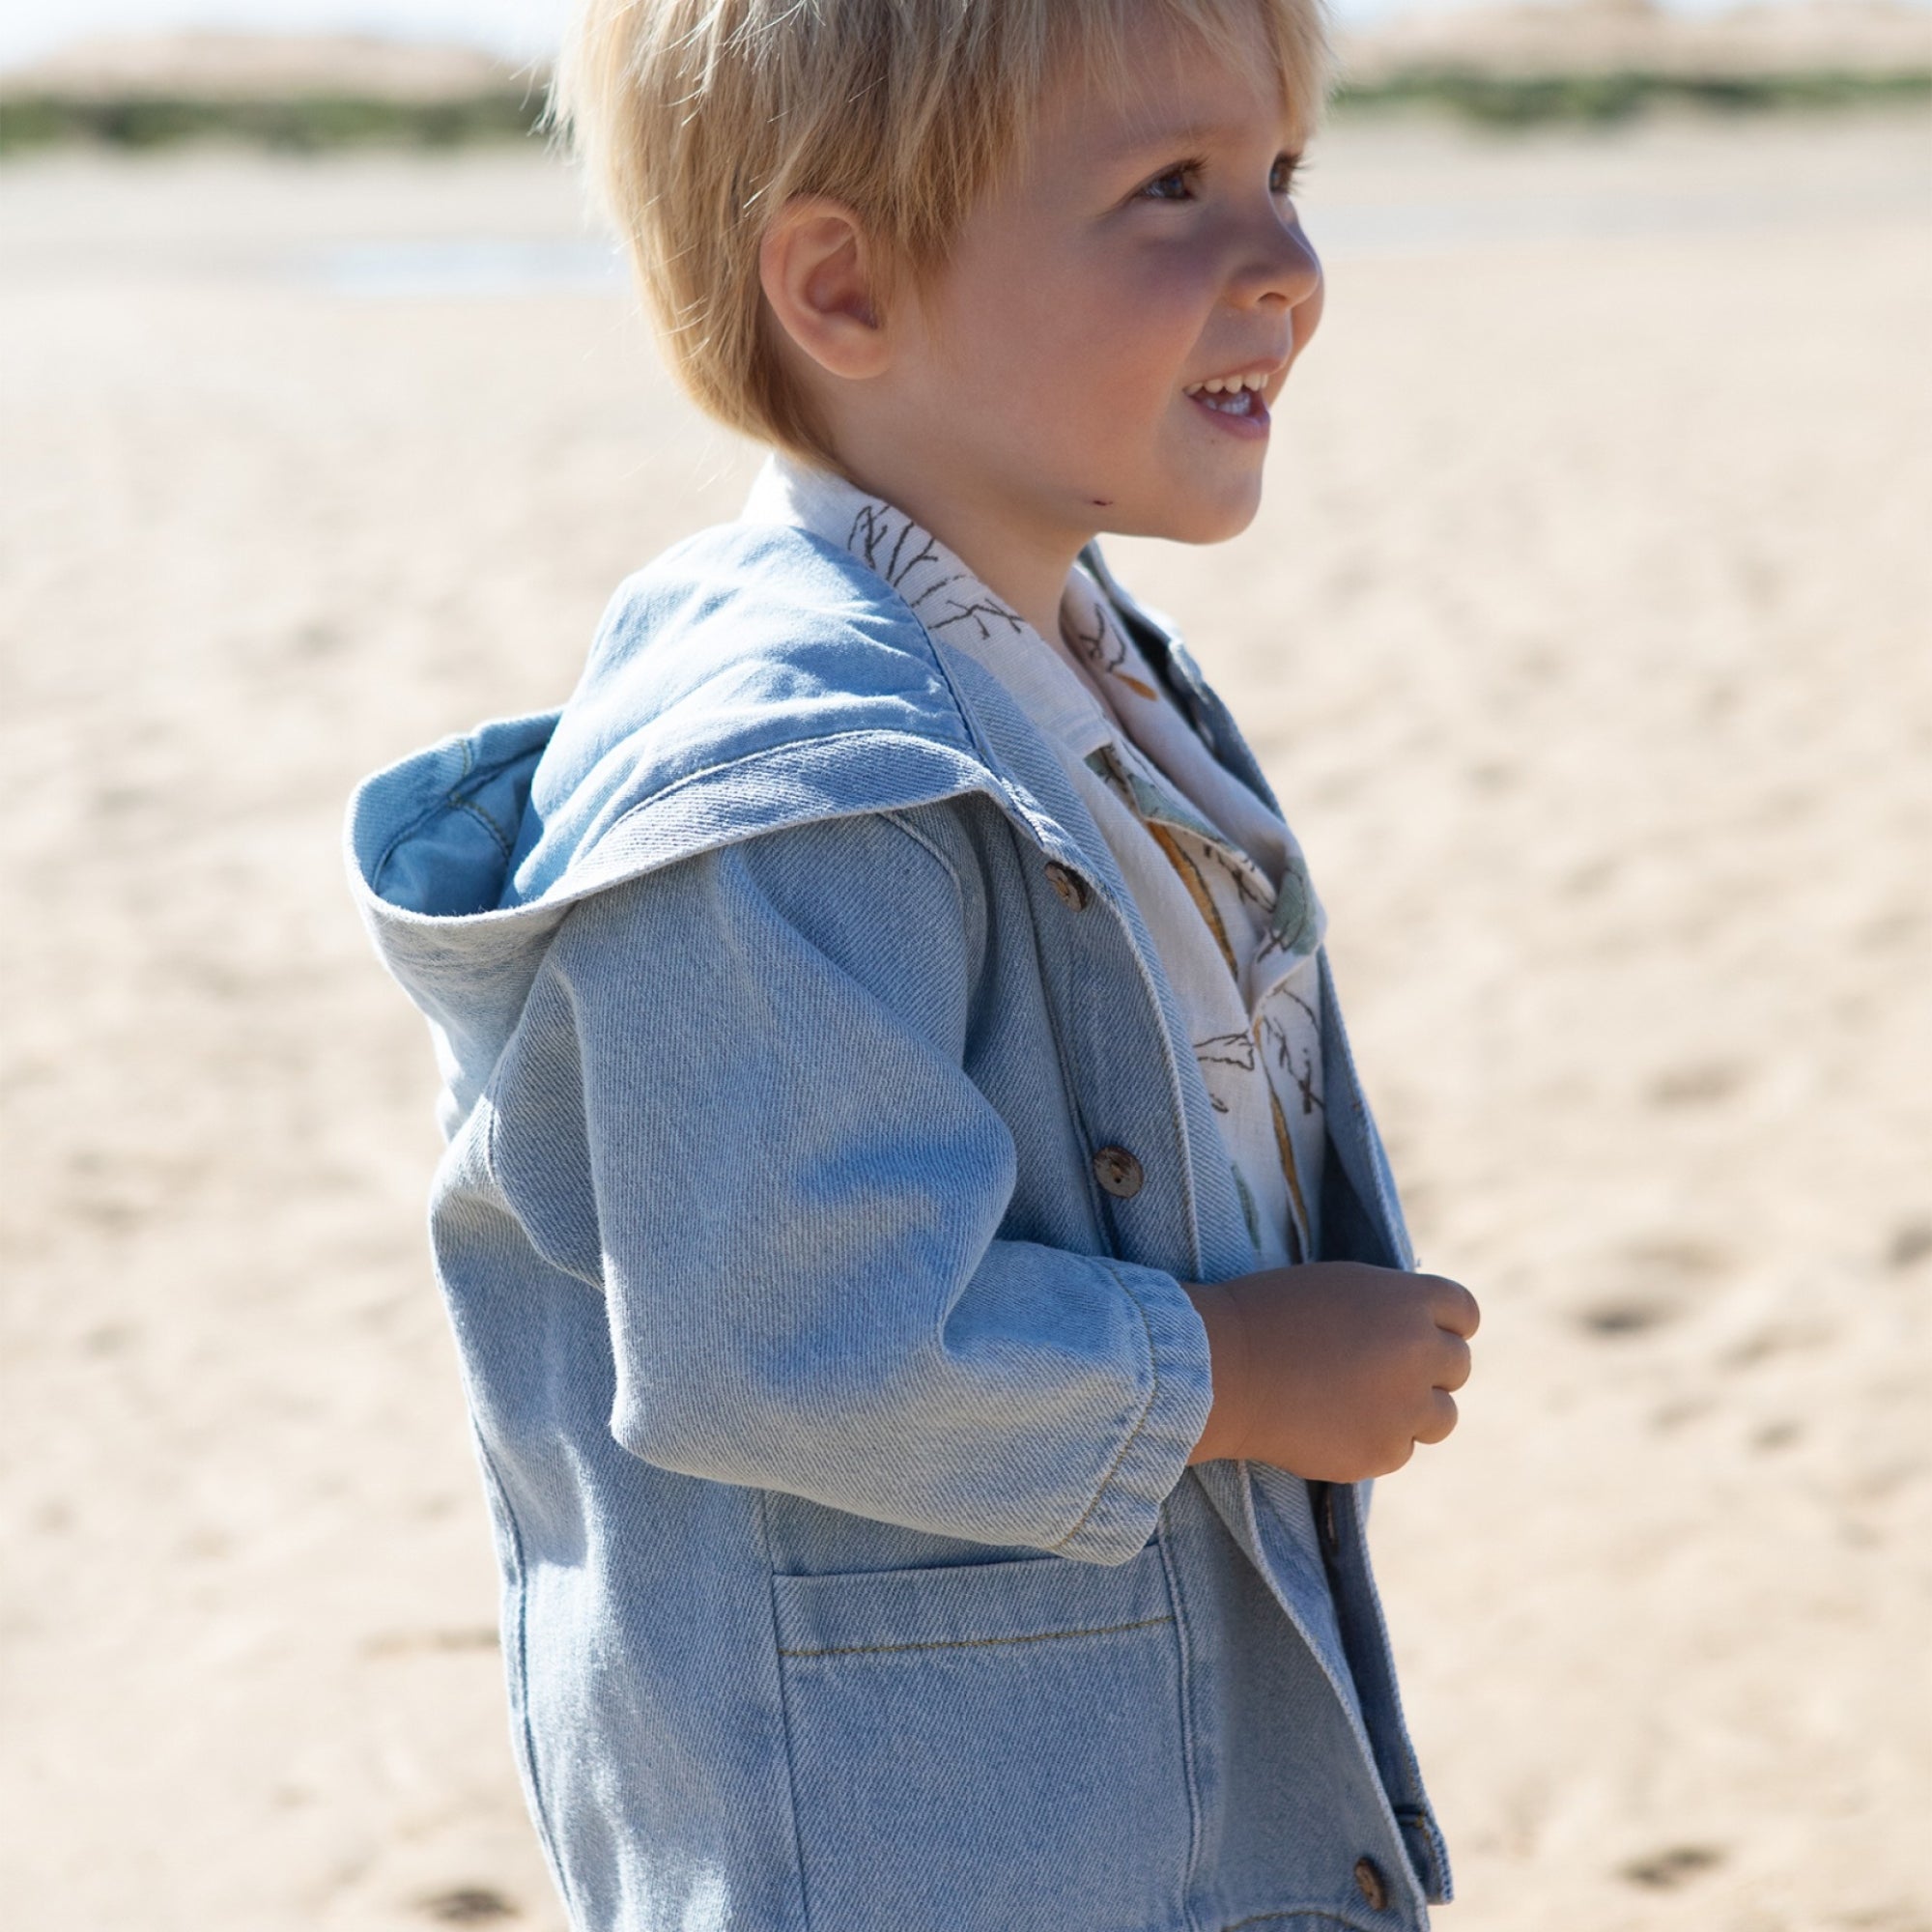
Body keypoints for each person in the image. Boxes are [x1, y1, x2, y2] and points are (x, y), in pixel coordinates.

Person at [347, 2, 1480, 1926]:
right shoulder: (785, 781)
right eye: (1170, 191)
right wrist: (1221, 1372)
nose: (1284, 263)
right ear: (843, 284)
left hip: (1141, 1785)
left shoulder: (1076, 667)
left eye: (1279, 176)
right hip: (919, 1854)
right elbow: (781, 1337)